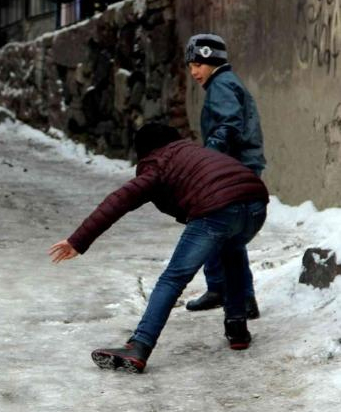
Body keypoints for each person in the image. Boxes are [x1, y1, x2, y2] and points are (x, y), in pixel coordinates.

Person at [49, 123, 268, 373]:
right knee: (232, 252)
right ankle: (237, 327)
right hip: (255, 203)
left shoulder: (158, 164)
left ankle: (140, 345)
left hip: (217, 209)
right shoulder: (193, 153)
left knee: (173, 278)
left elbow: (119, 200)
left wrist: (78, 240)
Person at [184, 33, 266, 319]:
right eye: (190, 66)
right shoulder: (225, 83)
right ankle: (230, 293)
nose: (193, 72)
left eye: (198, 64)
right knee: (225, 234)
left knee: (223, 232)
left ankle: (235, 296)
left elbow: (229, 124)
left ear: (212, 60)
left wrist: (209, 161)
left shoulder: (221, 85)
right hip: (239, 167)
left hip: (233, 169)